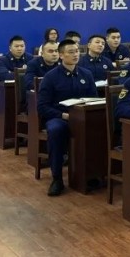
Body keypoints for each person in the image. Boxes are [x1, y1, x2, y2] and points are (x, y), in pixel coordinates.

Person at [37, 39, 97, 196]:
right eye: (71, 52)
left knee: (99, 127)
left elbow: (94, 99)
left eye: (77, 51)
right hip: (60, 117)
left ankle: (93, 173)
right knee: (55, 130)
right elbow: (42, 107)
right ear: (61, 55)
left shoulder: (86, 74)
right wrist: (64, 115)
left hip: (82, 117)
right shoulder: (50, 77)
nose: (75, 55)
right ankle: (57, 178)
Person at [22, 41, 60, 108]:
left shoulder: (61, 64)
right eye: (50, 51)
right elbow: (29, 83)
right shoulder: (33, 64)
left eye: (56, 51)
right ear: (42, 54)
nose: (54, 54)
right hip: (38, 99)